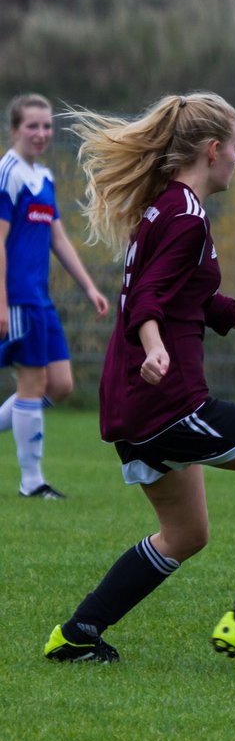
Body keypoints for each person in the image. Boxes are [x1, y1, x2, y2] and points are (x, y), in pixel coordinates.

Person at [42, 92, 235, 672]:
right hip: (171, 405)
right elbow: (150, 300)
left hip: (133, 408)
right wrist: (154, 349)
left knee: (185, 533)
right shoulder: (186, 215)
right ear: (212, 149)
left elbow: (197, 297)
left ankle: (76, 633)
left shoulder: (165, 208)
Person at [0, 93, 111, 498]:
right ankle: (32, 484)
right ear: (15, 129)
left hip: (40, 300)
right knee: (31, 383)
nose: (42, 133)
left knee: (60, 385)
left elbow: (57, 236)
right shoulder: (7, 174)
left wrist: (89, 286)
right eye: (33, 125)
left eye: (47, 126)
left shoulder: (43, 177)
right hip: (17, 298)